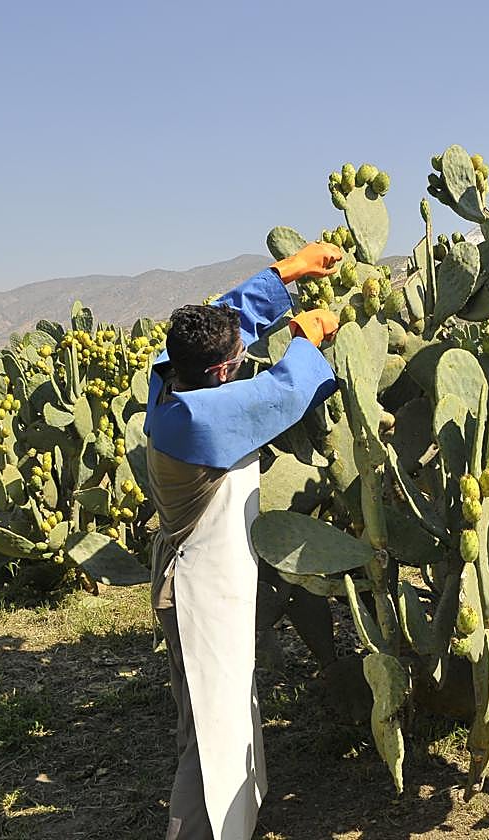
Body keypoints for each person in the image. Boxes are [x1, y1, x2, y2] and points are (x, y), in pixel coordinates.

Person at [144, 242, 342, 840]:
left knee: (217, 714)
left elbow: (218, 322)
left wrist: (285, 275)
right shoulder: (201, 423)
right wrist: (307, 340)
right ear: (224, 373)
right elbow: (282, 392)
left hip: (204, 582)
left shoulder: (169, 378)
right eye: (236, 358)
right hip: (199, 594)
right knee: (209, 733)